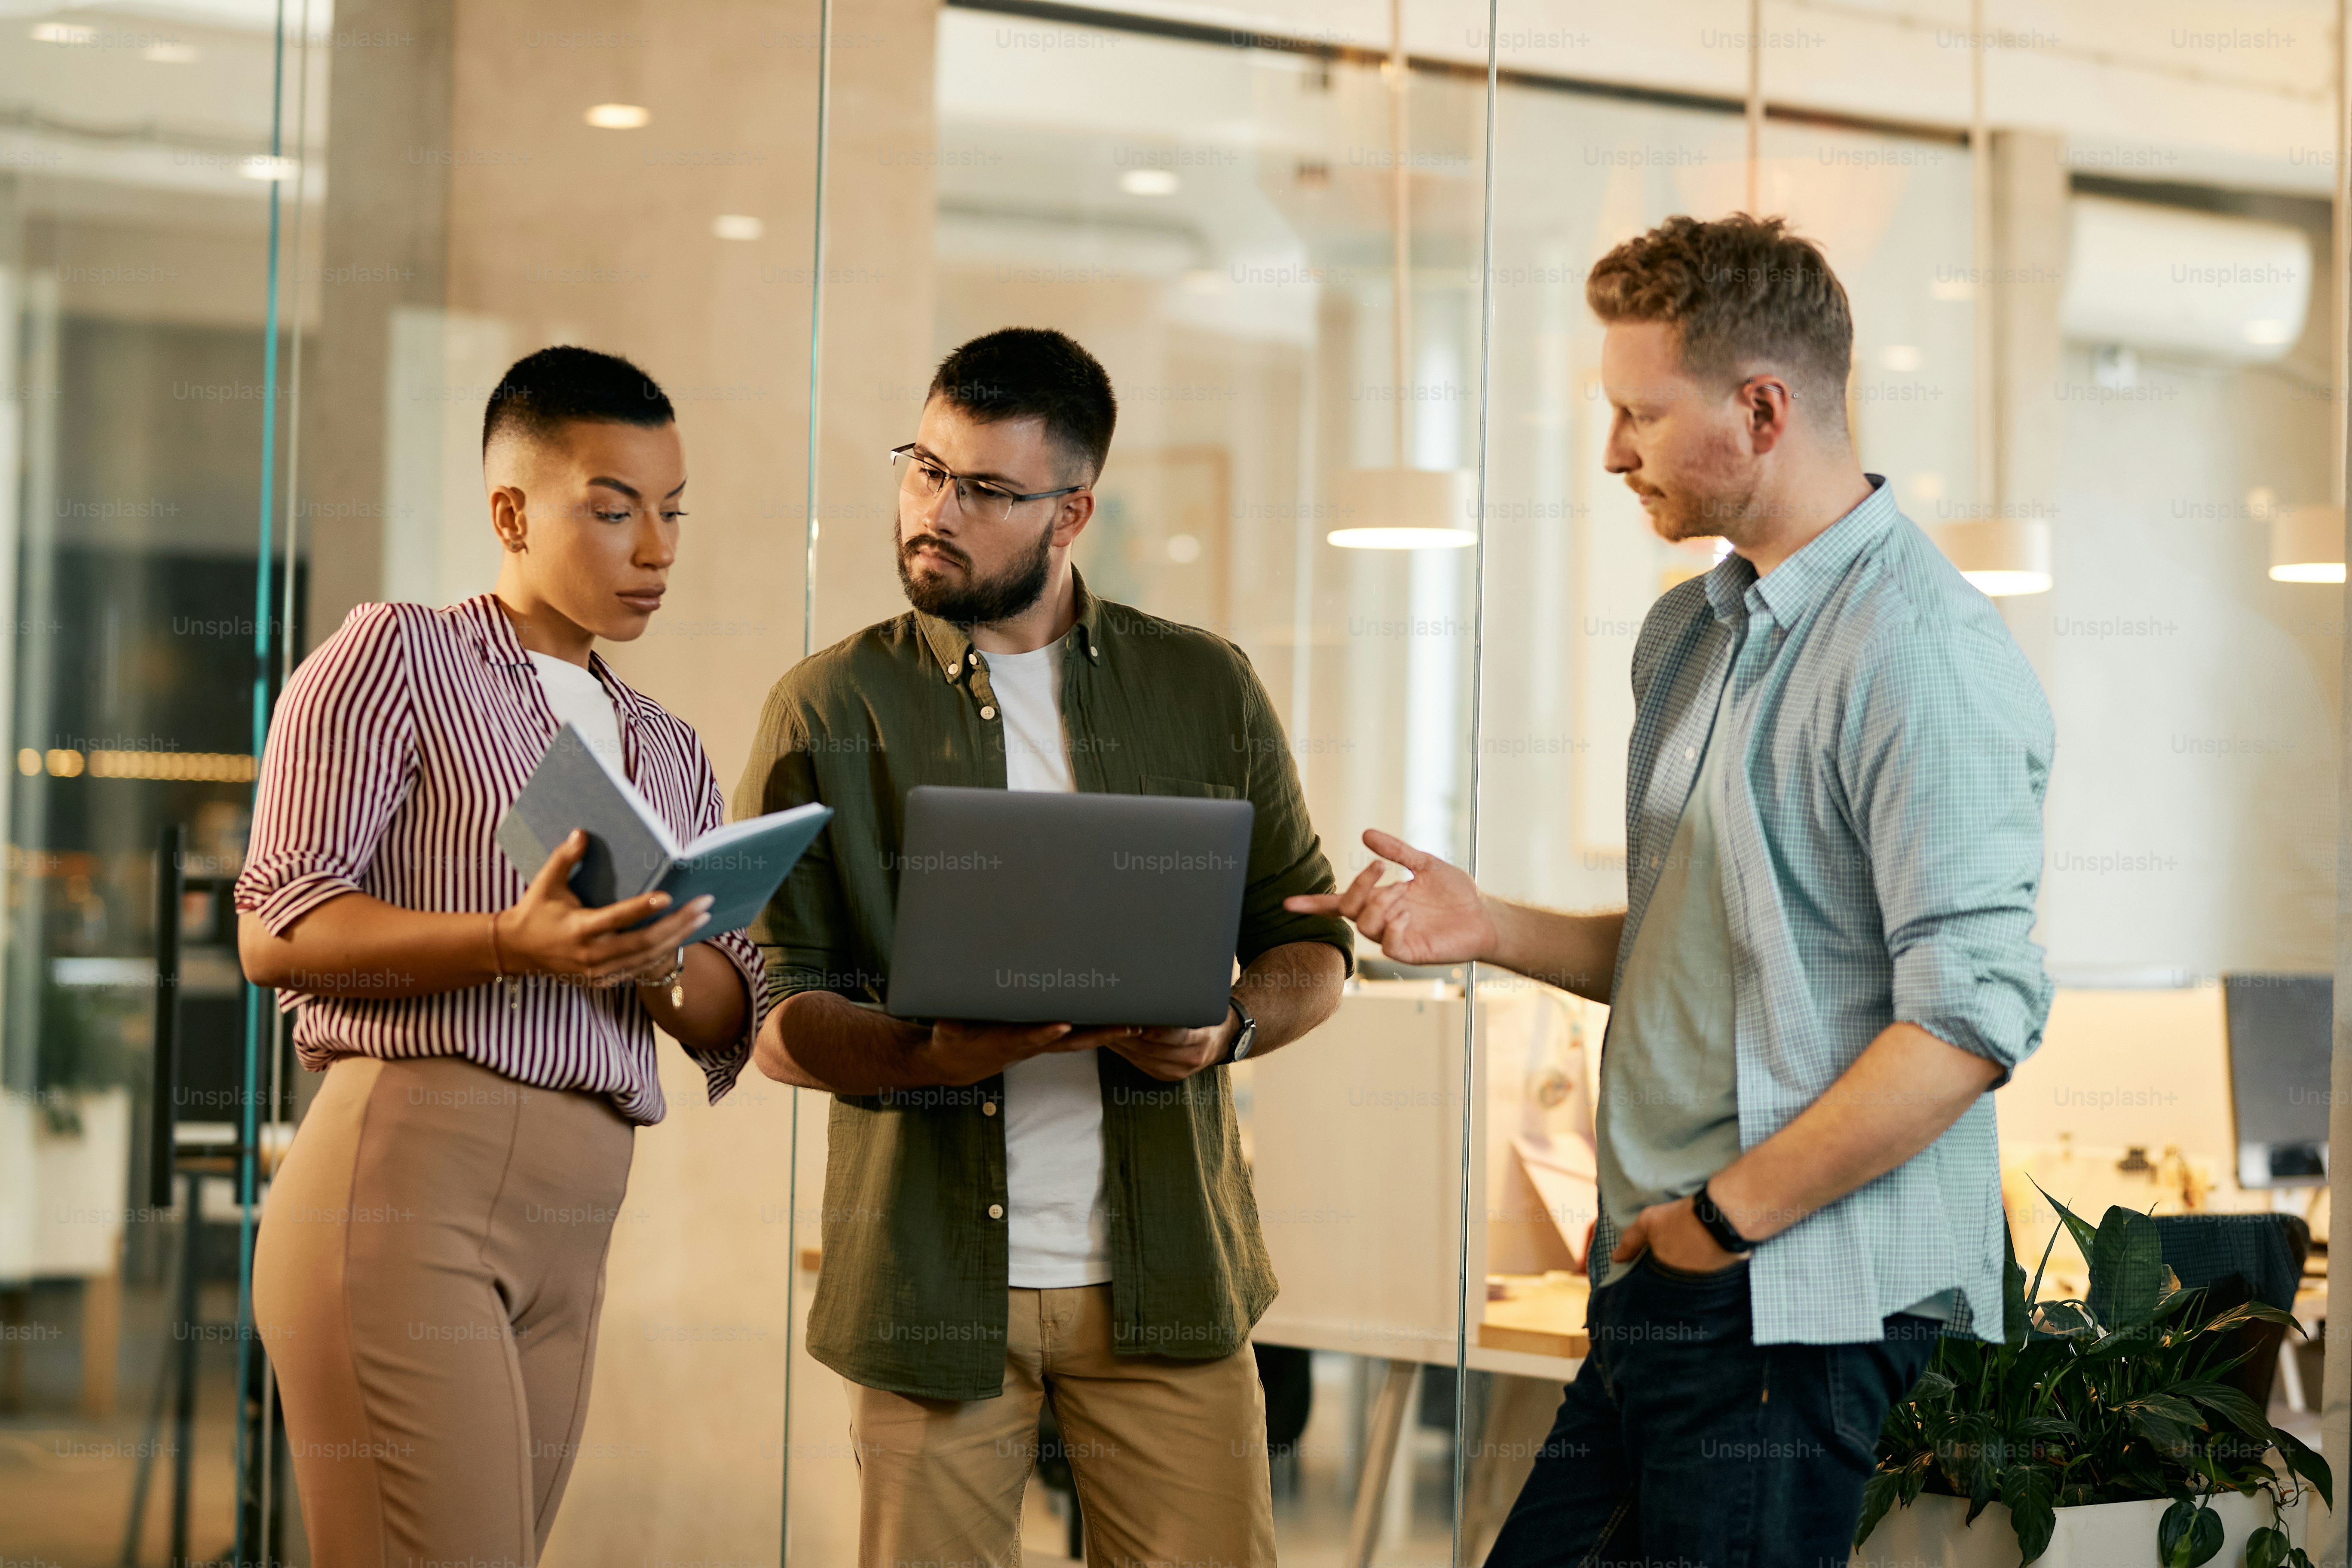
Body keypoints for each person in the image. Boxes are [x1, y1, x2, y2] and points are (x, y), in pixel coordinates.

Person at [1288, 214, 2055, 1565]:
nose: (1610, 453)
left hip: (1786, 1293)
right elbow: (1718, 950)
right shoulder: (1687, 633)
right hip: (1657, 1271)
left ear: (1762, 409)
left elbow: (1967, 1025)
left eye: (1639, 414)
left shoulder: (1920, 651)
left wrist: (1720, 1221)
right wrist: (1497, 927)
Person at [736, 326, 1349, 1568]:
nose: (935, 512)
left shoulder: (1205, 687)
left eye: (987, 491)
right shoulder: (830, 706)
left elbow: (1314, 939)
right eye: (927, 469)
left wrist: (1230, 1027)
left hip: (1171, 1289)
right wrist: (930, 1050)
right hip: (929, 1290)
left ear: (1072, 514)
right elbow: (771, 1011)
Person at [236, 346, 763, 1567]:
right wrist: (506, 941)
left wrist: (653, 964)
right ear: (512, 513)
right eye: (614, 508)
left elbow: (731, 996)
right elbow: (278, 921)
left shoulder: (669, 750)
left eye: (673, 513)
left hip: (577, 1220)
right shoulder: (399, 657)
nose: (657, 548)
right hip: (409, 1178)